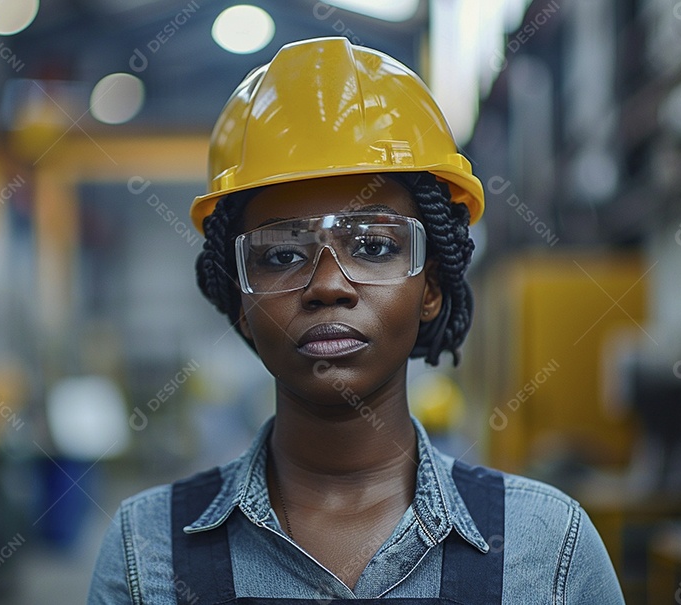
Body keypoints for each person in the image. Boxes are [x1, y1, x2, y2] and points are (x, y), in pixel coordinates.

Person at [88, 36, 624, 603]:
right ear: (240, 302)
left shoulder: (548, 552)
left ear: (431, 289)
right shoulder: (147, 554)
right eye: (281, 255)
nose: (327, 284)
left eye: (371, 245)